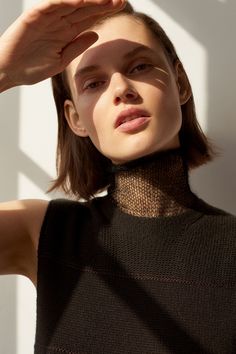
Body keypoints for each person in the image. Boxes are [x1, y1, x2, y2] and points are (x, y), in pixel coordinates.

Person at [0, 1, 235, 353]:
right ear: (75, 118)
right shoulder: (41, 232)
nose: (121, 89)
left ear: (180, 83)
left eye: (140, 66)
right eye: (93, 83)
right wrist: (4, 70)